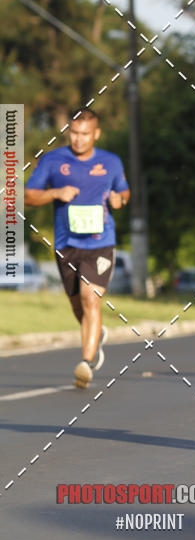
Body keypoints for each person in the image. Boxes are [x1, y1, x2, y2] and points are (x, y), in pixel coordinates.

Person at [24, 109, 129, 389]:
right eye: (73, 133)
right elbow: (28, 195)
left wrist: (120, 199)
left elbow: (123, 190)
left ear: (96, 134)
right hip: (66, 245)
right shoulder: (53, 160)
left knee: (89, 297)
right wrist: (55, 193)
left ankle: (86, 362)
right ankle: (95, 334)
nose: (78, 139)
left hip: (101, 244)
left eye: (85, 134)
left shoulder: (111, 162)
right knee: (76, 304)